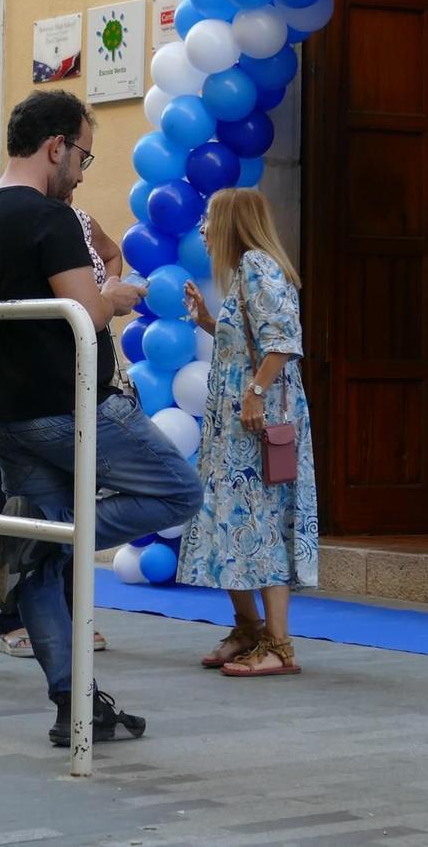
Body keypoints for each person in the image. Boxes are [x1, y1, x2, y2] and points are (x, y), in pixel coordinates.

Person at [0, 89, 202, 747]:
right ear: (55, 146)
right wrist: (115, 296)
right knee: (182, 489)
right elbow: (85, 310)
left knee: (41, 563)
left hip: (3, 408)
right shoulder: (50, 216)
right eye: (84, 155)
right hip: (65, 406)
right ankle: (55, 533)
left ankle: (74, 702)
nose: (84, 172)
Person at [179, 188, 318, 678]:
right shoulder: (241, 272)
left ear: (231, 222)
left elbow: (282, 340)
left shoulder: (259, 265)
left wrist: (255, 393)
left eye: (209, 219)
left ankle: (279, 646)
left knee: (258, 522)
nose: (202, 229)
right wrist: (208, 322)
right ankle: (247, 628)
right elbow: (248, 340)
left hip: (256, 421)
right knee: (224, 519)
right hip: (234, 423)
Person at [0, 197, 120, 659]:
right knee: (26, 508)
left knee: (72, 499)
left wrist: (110, 286)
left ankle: (72, 612)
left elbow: (111, 254)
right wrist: (103, 302)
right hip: (31, 388)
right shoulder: (17, 222)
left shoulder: (82, 221)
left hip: (82, 386)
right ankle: (15, 617)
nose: (80, 179)